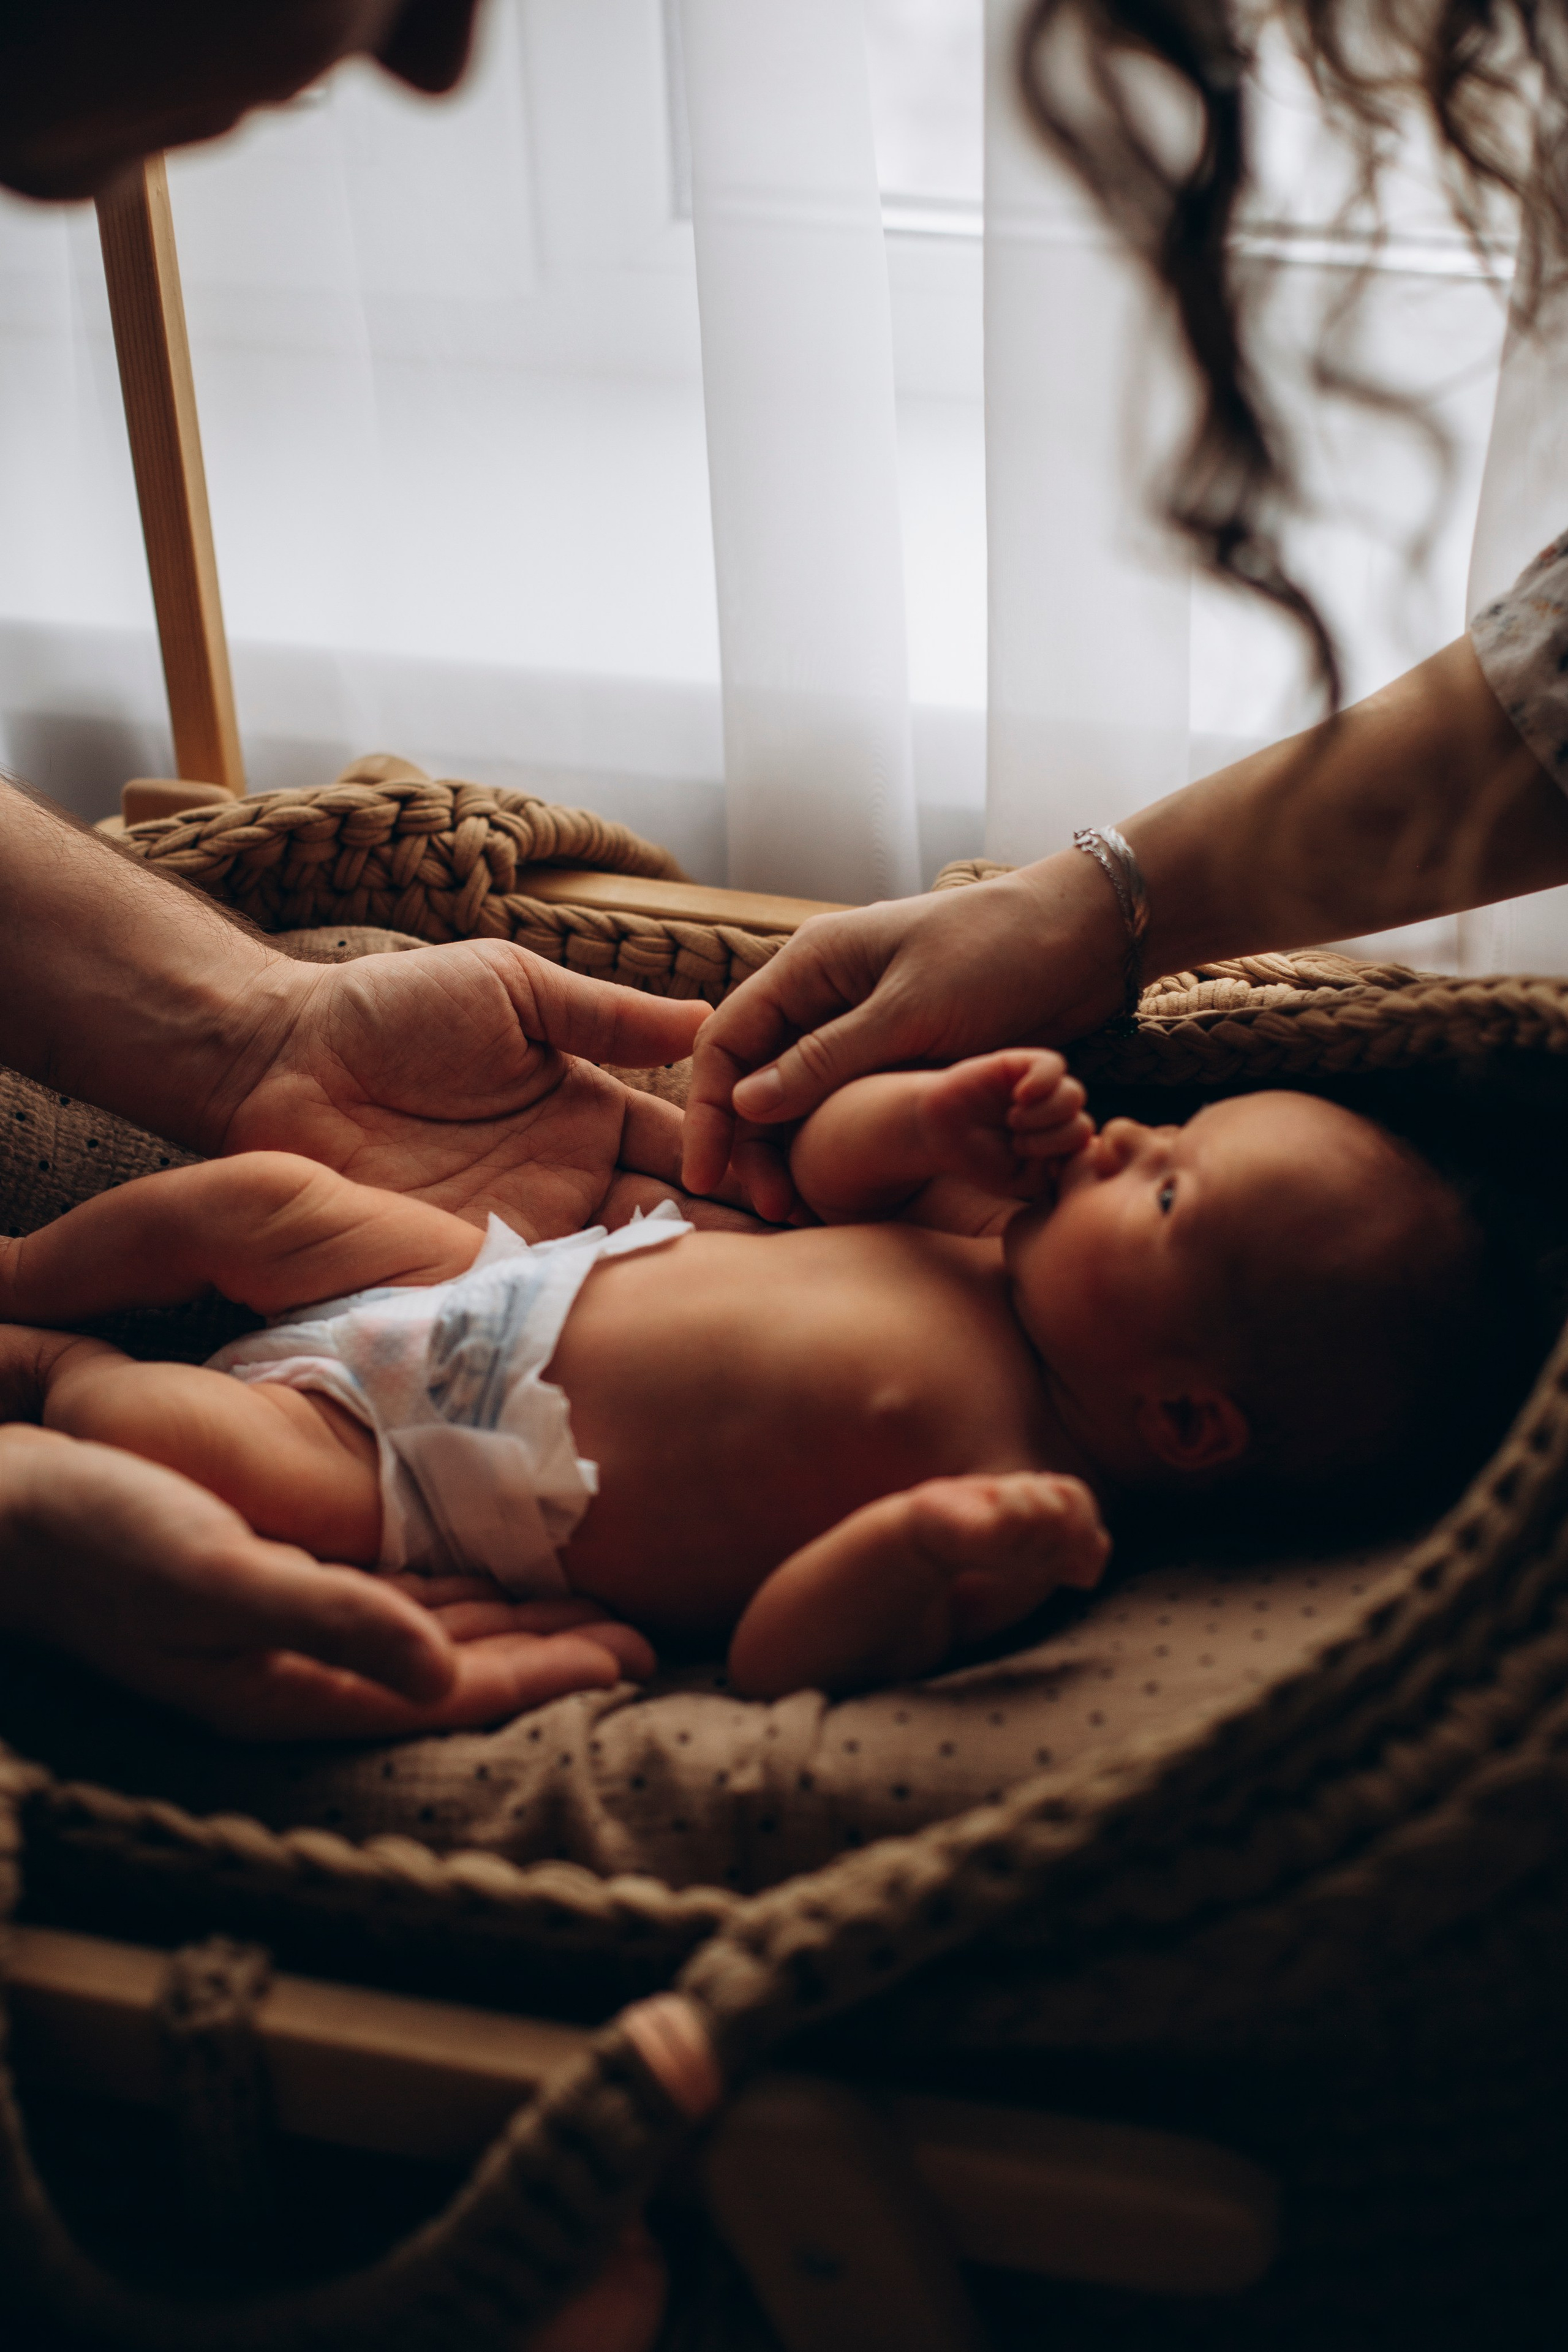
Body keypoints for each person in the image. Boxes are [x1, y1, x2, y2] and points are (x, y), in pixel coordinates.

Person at [0, 1052, 1499, 1720]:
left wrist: (921, 1552)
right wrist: (939, 1116)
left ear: (1182, 1416)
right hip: (489, 1278)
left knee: (160, 1432)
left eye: (1164, 1194)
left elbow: (783, 1660)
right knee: (247, 1198)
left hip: (436, 1487)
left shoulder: (1007, 1508)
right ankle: (22, 1278)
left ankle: (55, 1365)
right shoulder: (984, 1236)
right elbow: (822, 1168)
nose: (1119, 1142)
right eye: (1165, 1126)